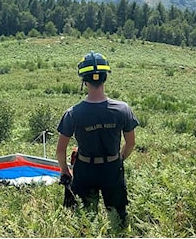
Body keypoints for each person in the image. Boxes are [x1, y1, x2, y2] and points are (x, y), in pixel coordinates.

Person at [56, 51, 139, 228]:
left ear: (84, 81)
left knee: (86, 220)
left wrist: (65, 170)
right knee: (118, 218)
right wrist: (119, 159)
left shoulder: (73, 114)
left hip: (85, 169)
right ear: (104, 78)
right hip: (112, 169)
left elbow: (61, 149)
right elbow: (131, 143)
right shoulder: (123, 109)